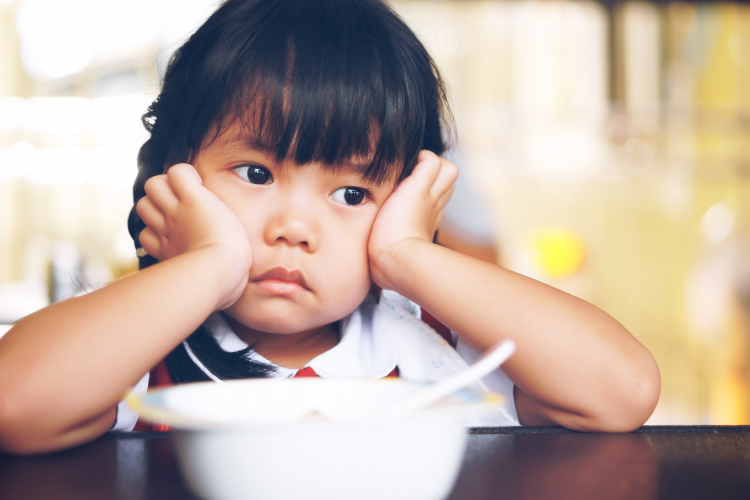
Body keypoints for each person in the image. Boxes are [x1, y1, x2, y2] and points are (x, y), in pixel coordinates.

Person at [0, 0, 660, 454]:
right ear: (176, 178)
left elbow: (623, 391)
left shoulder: (435, 352)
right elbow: (16, 403)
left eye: (351, 192)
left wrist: (408, 253)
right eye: (255, 175)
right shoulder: (137, 350)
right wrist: (209, 263)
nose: (294, 226)